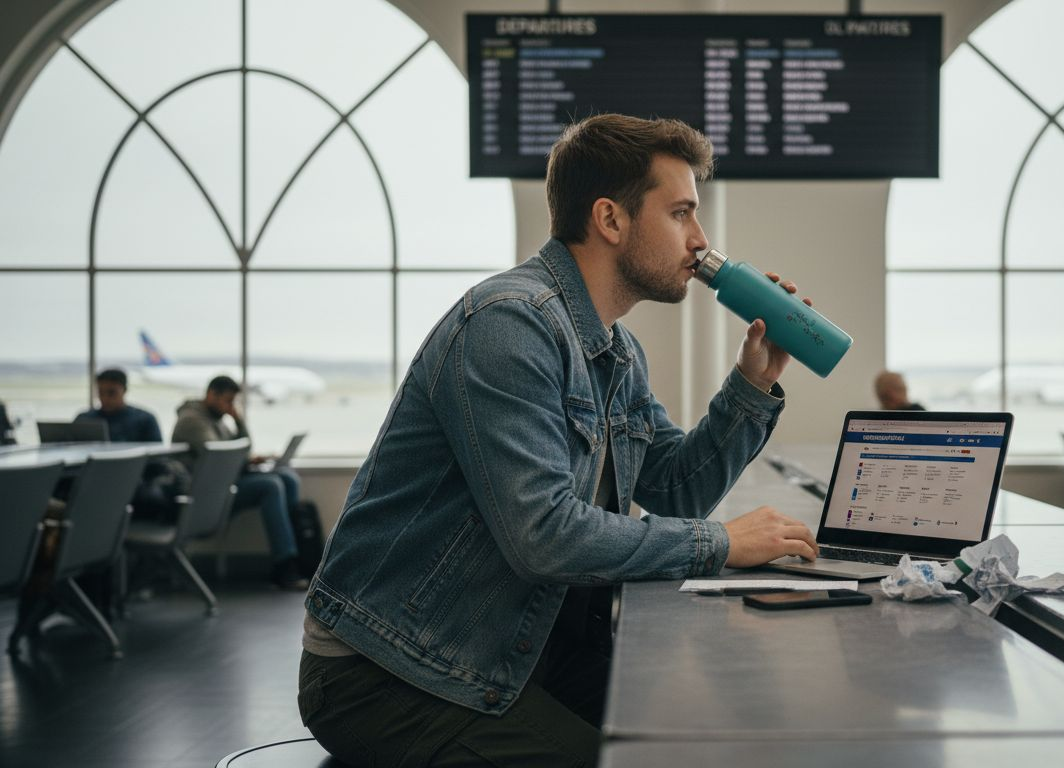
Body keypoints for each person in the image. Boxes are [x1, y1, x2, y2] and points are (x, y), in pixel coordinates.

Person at [297, 115, 820, 767]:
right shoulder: (507, 326)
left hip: (521, 648)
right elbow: (543, 535)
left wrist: (752, 383)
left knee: (701, 737)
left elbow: (675, 489)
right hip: (393, 670)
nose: (700, 240)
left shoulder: (616, 351)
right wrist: (719, 543)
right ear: (610, 219)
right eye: (681, 213)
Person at [171, 375, 308, 590]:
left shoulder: (216, 420)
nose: (230, 407)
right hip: (209, 493)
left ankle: (299, 556)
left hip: (225, 483)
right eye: (228, 401)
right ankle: (285, 566)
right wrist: (246, 459)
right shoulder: (192, 421)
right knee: (271, 486)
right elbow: (219, 457)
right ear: (211, 394)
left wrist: (239, 421)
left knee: (287, 478)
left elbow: (241, 448)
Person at [74, 368, 163, 443]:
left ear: (124, 390)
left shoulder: (144, 420)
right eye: (101, 392)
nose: (105, 398)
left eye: (111, 393)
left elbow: (157, 454)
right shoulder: (83, 420)